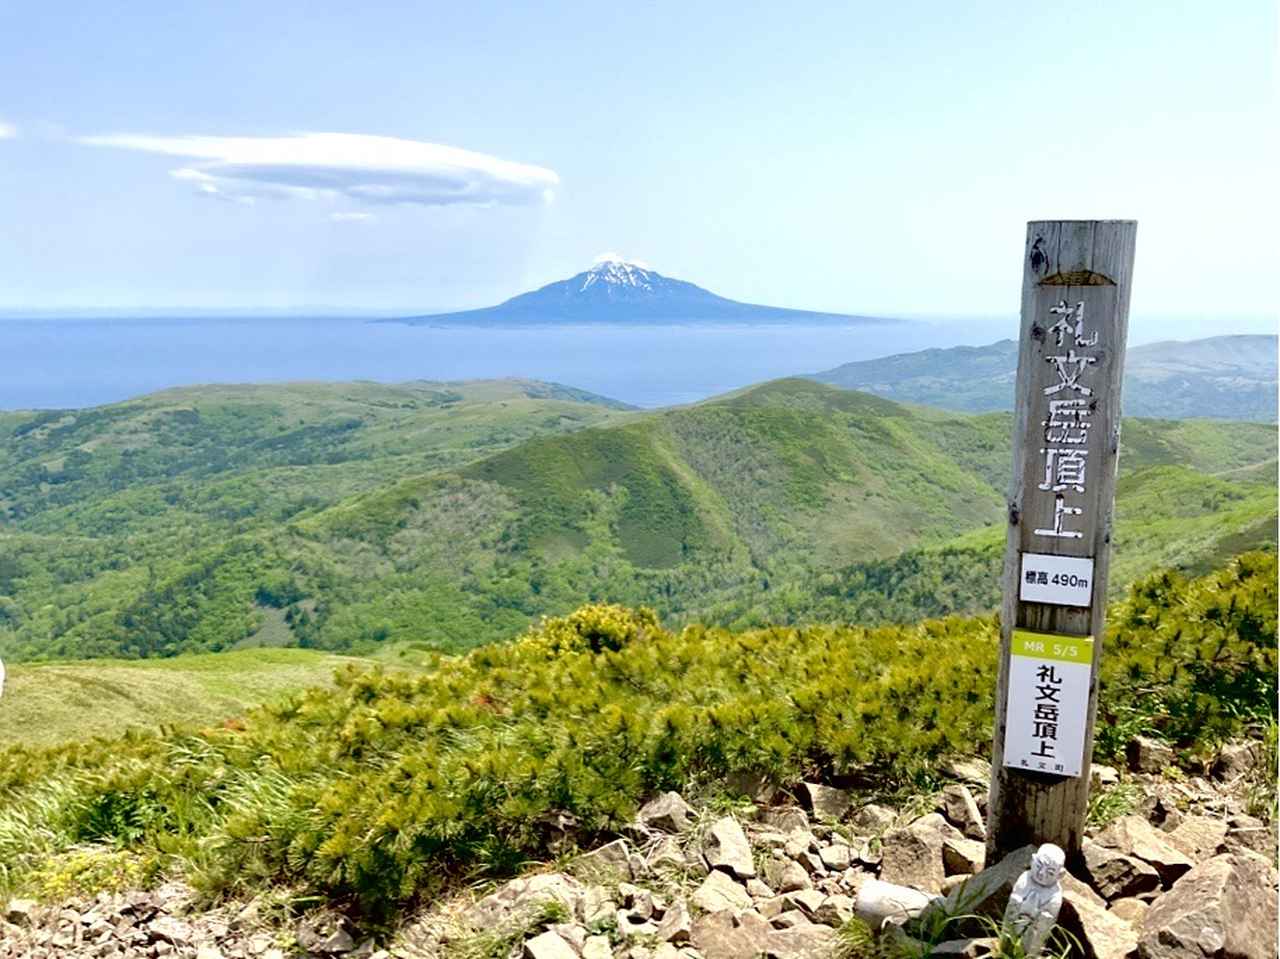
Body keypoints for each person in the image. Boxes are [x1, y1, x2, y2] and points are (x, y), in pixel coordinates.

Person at [1003, 843, 1065, 957]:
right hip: (1017, 921)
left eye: (1050, 872)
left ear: (1060, 875)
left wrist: (1039, 916)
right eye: (1039, 866)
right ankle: (1004, 949)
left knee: (1032, 944)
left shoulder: (1055, 894)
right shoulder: (1025, 879)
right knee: (1009, 936)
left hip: (1033, 931)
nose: (1041, 874)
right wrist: (1019, 904)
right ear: (1032, 860)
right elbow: (1013, 902)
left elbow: (1048, 919)